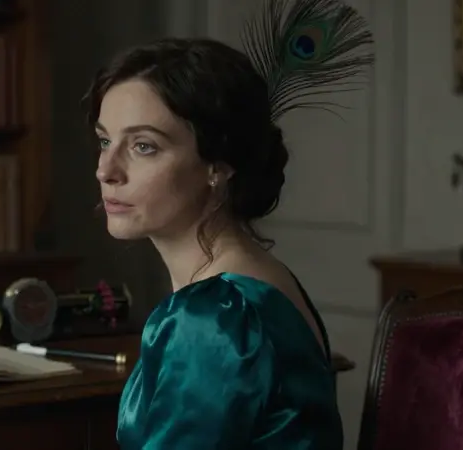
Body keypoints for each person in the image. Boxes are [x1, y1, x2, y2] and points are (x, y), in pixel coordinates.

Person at [81, 1, 374, 448]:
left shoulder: (218, 316)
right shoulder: (248, 283)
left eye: (143, 146)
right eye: (105, 140)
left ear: (217, 166)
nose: (107, 170)